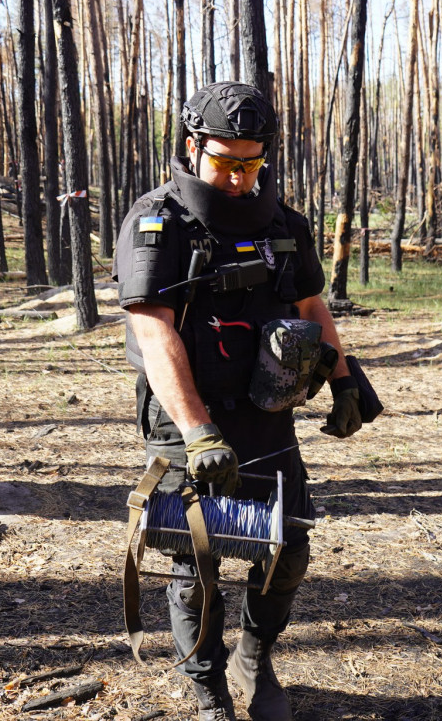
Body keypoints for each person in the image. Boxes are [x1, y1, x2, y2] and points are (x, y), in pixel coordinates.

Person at [113, 81, 363, 721]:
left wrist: (343, 377)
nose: (238, 176)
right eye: (226, 162)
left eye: (252, 163)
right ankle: (207, 688)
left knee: (289, 547)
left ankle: (255, 654)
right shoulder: (156, 220)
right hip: (186, 418)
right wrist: (197, 431)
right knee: (195, 558)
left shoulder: (284, 223)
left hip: (267, 410)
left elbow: (310, 306)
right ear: (192, 147)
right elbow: (152, 328)